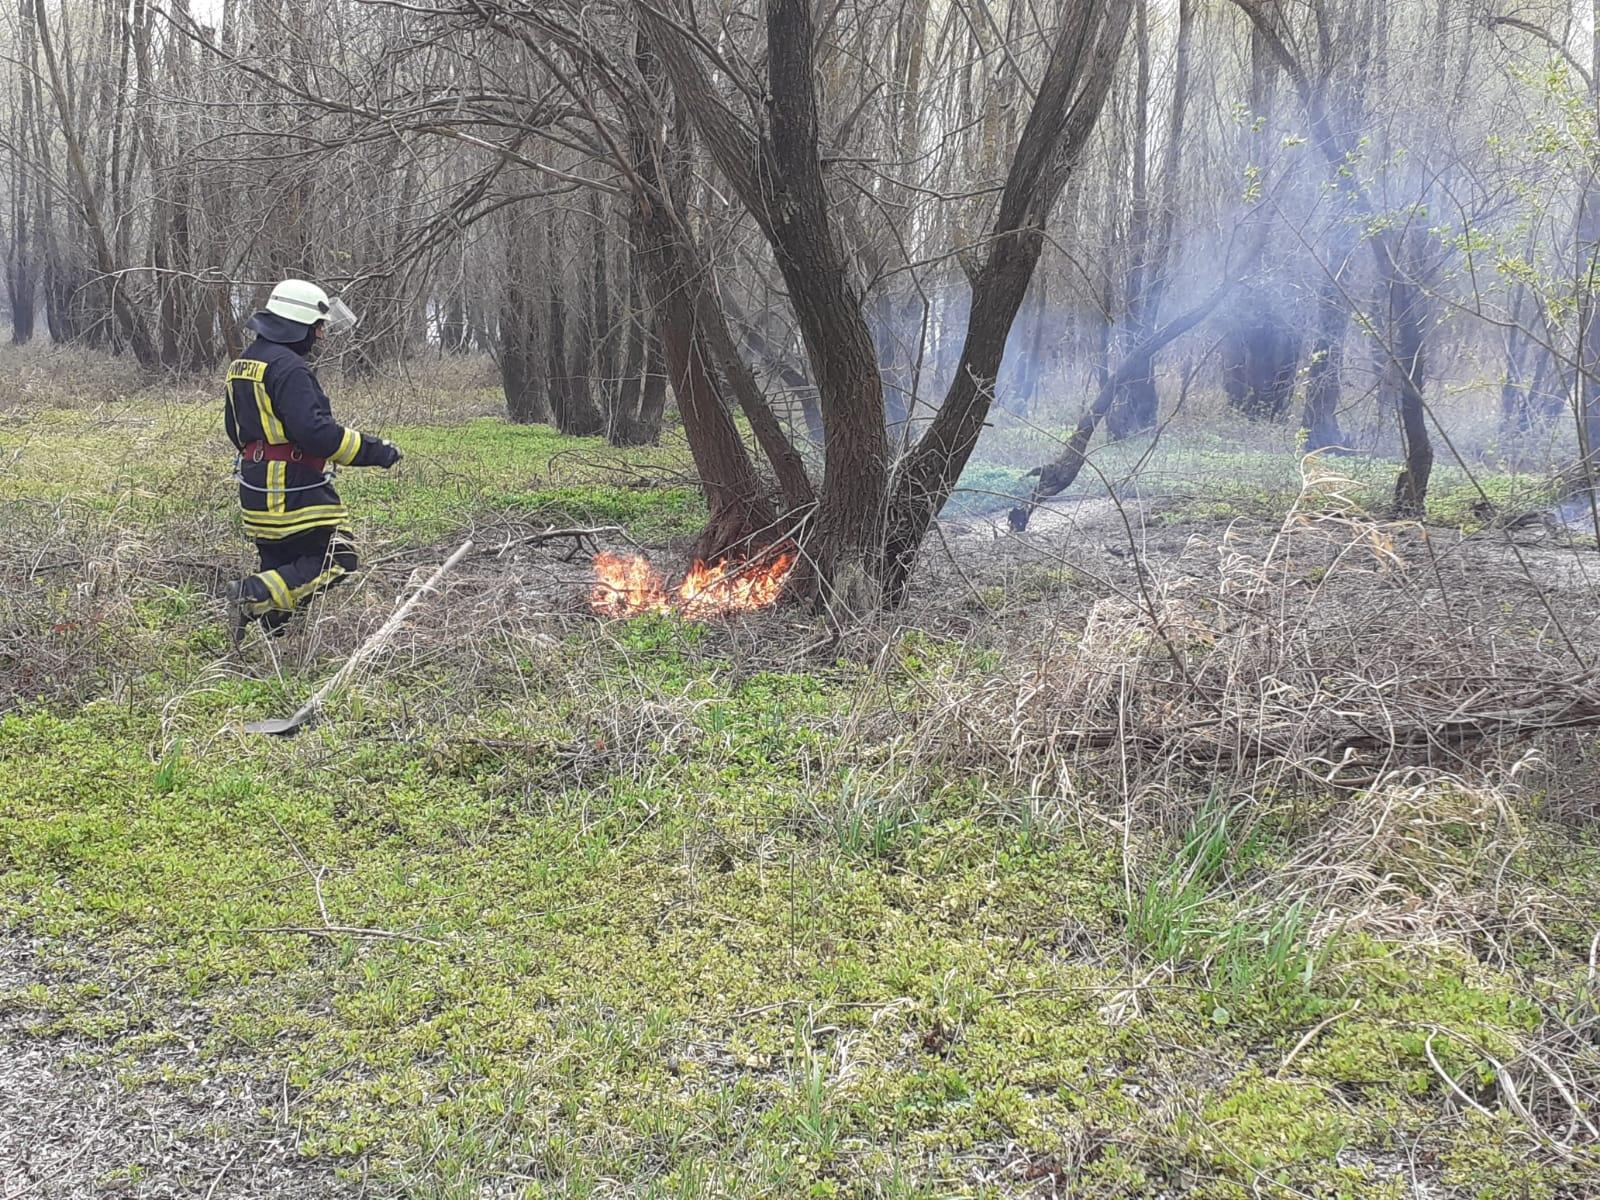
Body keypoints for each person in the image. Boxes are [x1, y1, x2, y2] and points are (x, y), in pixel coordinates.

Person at [223, 279, 402, 645]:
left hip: (255, 485)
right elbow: (317, 434)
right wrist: (375, 450)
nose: (320, 336)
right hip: (292, 488)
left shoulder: (243, 364)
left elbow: (234, 429)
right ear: (297, 323)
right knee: (340, 557)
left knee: (284, 565)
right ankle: (251, 593)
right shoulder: (289, 368)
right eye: (317, 327)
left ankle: (279, 647)